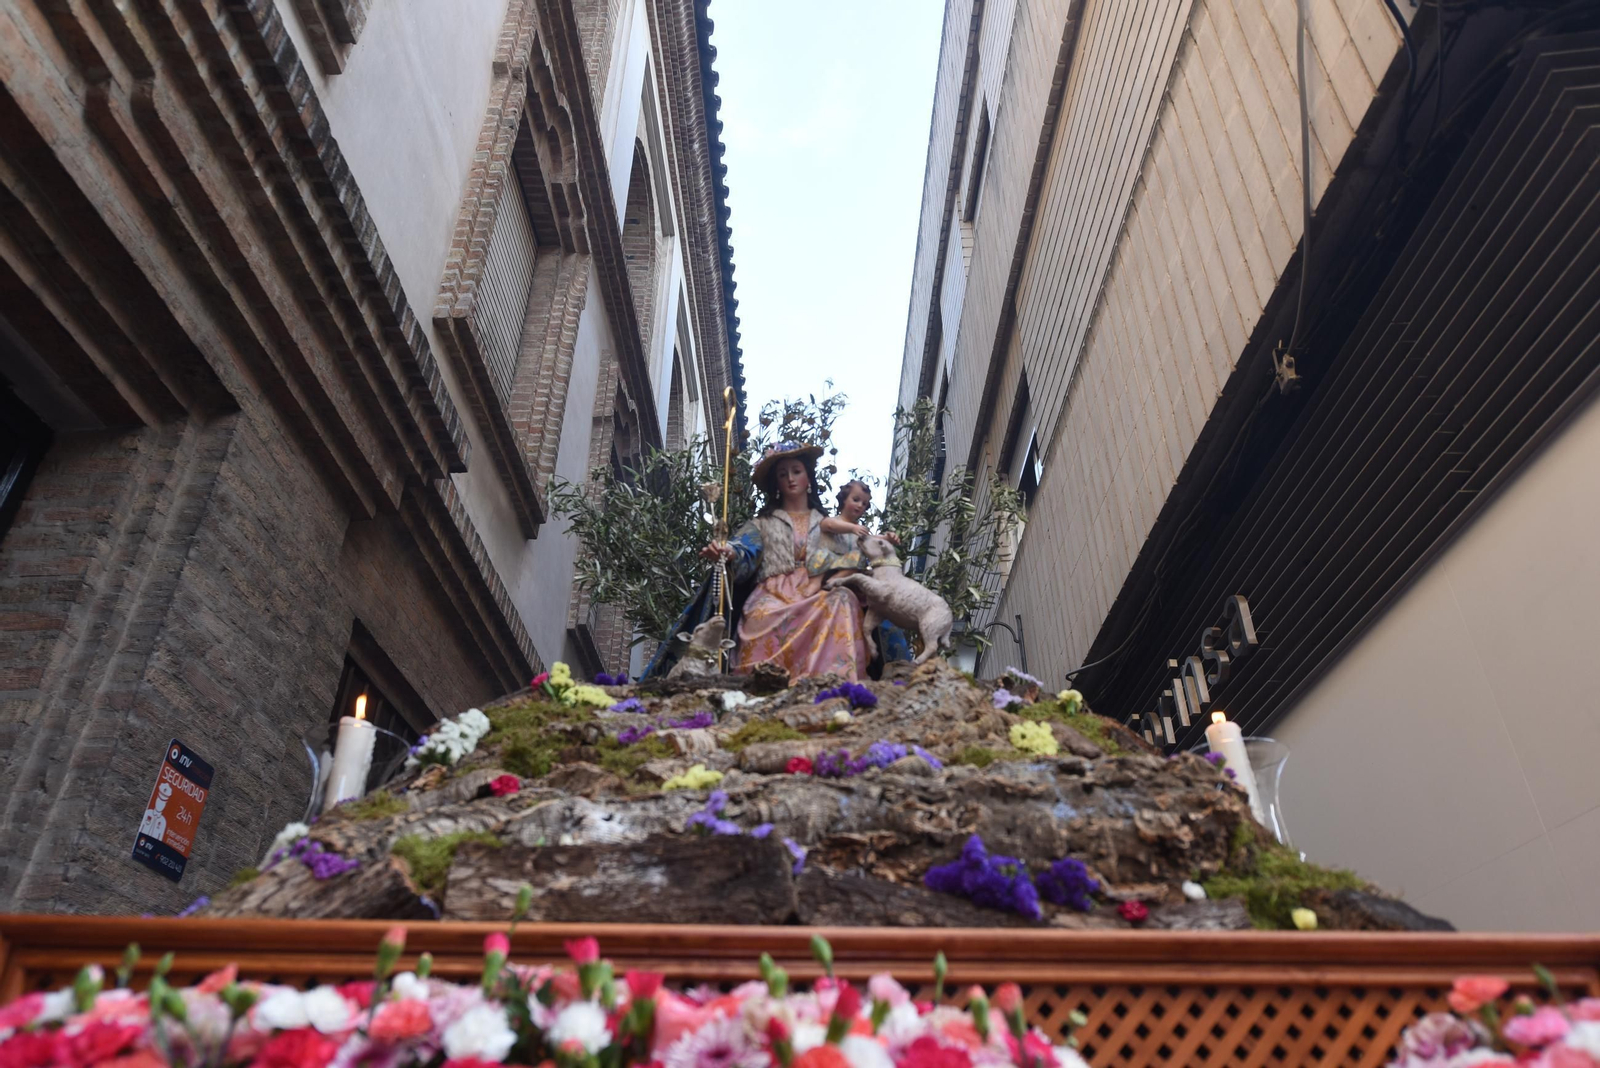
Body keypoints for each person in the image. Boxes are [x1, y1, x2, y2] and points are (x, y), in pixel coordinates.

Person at [645, 441, 895, 680]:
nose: (790, 478)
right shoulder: (762, 524)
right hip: (773, 595)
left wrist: (883, 544)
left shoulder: (829, 524)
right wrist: (728, 552)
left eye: (796, 471)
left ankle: (836, 680)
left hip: (817, 591)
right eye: (782, 474)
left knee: (844, 600)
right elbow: (744, 548)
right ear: (776, 483)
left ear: (808, 477)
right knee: (760, 614)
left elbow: (854, 552)